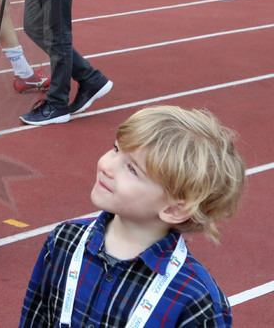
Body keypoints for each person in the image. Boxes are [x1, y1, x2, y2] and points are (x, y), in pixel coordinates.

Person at [19, 105, 244, 327]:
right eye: (116, 149)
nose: (107, 166)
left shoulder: (196, 301)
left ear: (174, 209)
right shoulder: (64, 240)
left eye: (133, 169)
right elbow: (34, 318)